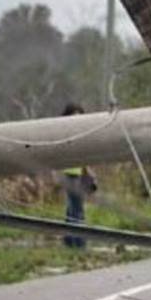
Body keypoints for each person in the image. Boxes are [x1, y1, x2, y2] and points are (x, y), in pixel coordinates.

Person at [59, 103, 95, 249]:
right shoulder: (65, 132)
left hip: (78, 173)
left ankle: (69, 241)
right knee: (77, 210)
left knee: (72, 209)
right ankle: (79, 244)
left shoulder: (79, 134)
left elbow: (82, 156)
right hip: (69, 174)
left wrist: (88, 170)